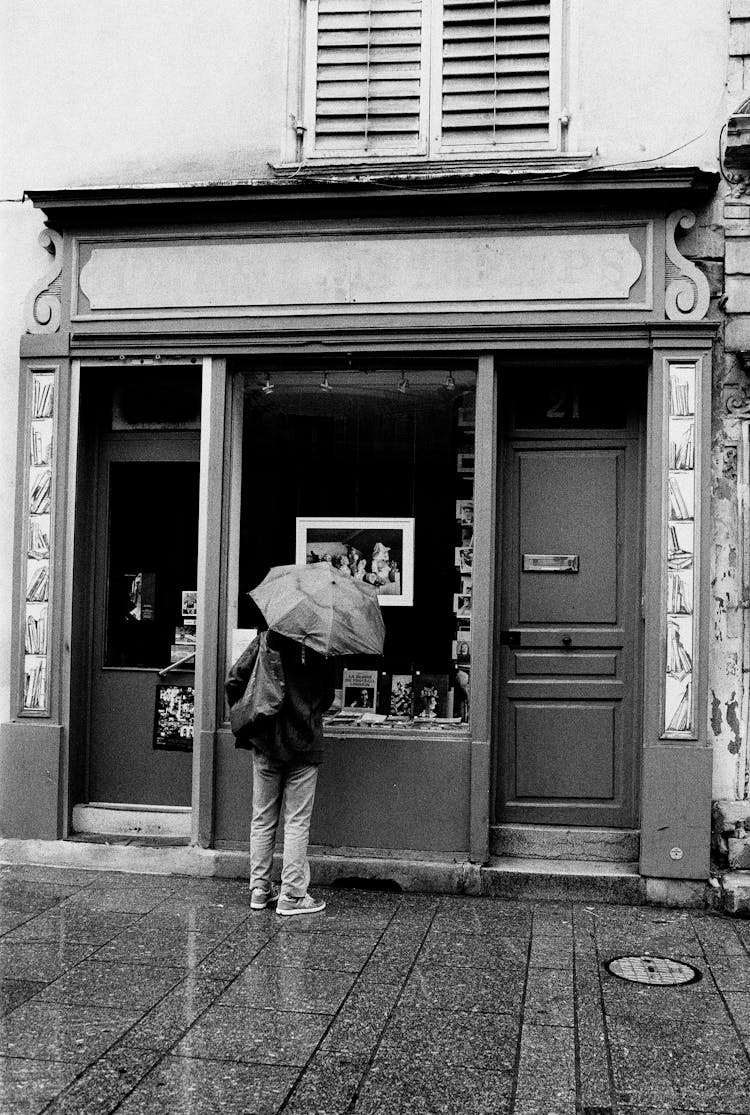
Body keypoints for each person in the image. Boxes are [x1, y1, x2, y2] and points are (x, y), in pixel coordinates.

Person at [226, 628, 335, 916]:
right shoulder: (321, 645)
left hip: (266, 740)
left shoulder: (266, 639)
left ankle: (260, 890)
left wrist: (248, 712)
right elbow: (327, 696)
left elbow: (234, 679)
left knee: (262, 818)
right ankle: (293, 895)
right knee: (297, 821)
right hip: (304, 742)